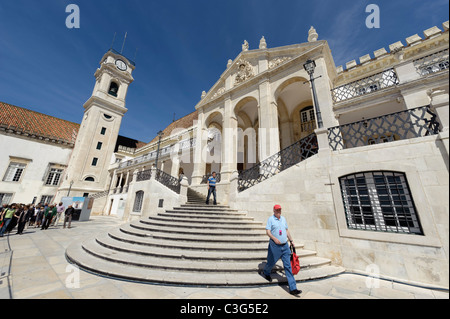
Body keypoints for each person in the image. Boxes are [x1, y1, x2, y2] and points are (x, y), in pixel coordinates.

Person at [261, 204, 302, 296]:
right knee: (271, 262)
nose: (279, 211)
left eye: (280, 210)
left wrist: (291, 241)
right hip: (274, 245)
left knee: (288, 266)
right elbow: (268, 231)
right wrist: (274, 238)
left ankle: (293, 288)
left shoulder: (283, 219)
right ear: (274, 211)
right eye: (277, 210)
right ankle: (266, 272)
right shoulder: (270, 219)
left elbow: (286, 230)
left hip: (285, 246)